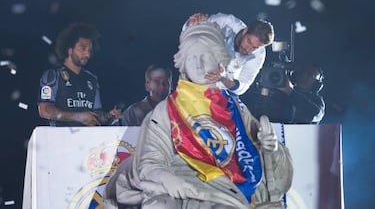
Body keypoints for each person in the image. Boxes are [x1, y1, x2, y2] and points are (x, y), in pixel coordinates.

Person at [103, 22, 292, 209]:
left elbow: (265, 165)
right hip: (182, 187)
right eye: (193, 57)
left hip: (224, 191)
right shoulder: (167, 109)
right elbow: (150, 162)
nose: (200, 64)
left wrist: (271, 148)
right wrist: (170, 181)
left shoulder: (235, 107)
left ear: (219, 62)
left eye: (206, 56)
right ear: (183, 63)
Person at [38, 22, 120, 127]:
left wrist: (109, 116)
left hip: (86, 140)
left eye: (90, 50)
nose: (87, 54)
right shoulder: (53, 75)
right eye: (83, 48)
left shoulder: (92, 80)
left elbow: (96, 115)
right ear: (69, 49)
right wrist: (78, 117)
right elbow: (45, 110)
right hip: (59, 139)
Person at [182, 12, 275, 96]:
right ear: (245, 30)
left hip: (222, 94)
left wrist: (224, 78)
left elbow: (243, 86)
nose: (248, 49)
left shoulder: (259, 54)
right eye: (249, 42)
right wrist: (192, 23)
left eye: (254, 47)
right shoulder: (224, 22)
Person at [248, 62, 325, 124]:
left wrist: (290, 92)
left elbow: (314, 114)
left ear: (317, 84)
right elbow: (260, 114)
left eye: (310, 75)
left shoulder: (317, 101)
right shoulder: (280, 92)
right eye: (302, 72)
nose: (304, 76)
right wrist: (265, 88)